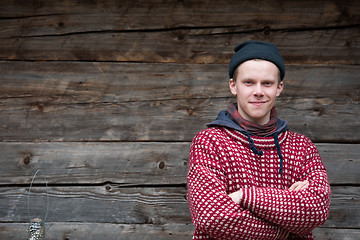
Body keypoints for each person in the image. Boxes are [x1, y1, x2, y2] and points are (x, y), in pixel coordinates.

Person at [186, 41, 331, 240]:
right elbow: (211, 217)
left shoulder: (302, 148)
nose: (258, 91)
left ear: (279, 88)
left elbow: (317, 209)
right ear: (233, 86)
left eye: (267, 83)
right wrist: (287, 229)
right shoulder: (210, 142)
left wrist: (243, 196)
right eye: (249, 82)